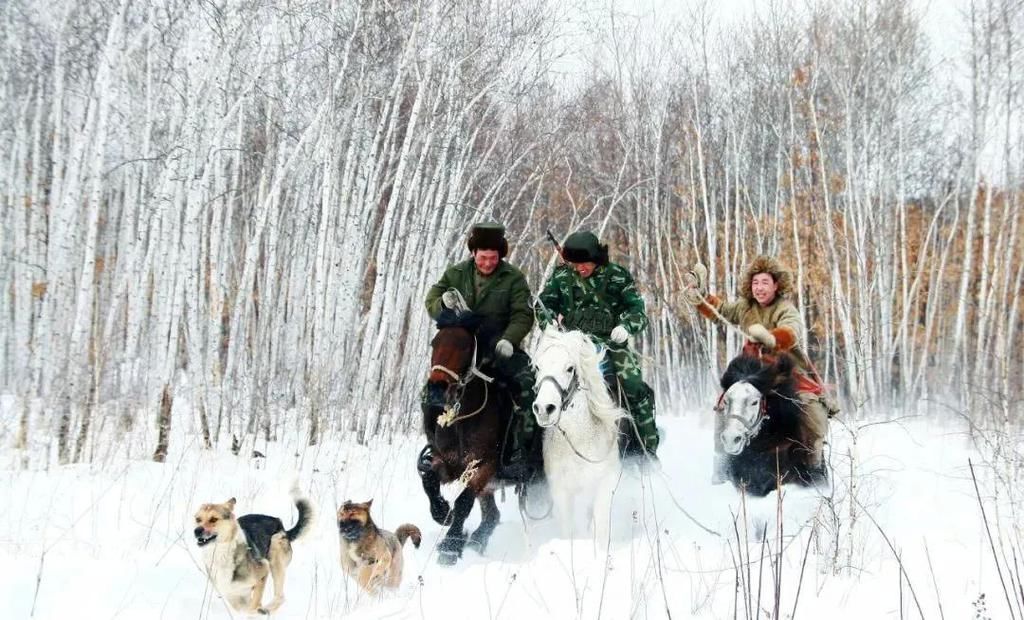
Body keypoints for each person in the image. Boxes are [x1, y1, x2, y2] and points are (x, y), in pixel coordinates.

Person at [683, 255, 833, 482]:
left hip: (785, 371)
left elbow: (793, 329)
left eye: (765, 282)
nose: (759, 288)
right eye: (755, 283)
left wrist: (773, 338)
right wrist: (700, 297)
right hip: (752, 370)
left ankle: (814, 464)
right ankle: (722, 461)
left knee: (809, 408)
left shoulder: (785, 308)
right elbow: (720, 311)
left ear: (776, 285)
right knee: (725, 402)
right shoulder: (745, 307)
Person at [420, 223, 540, 480]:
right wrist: (443, 303)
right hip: (462, 348)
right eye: (483, 257)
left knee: (527, 385)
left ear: (501, 255)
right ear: (473, 253)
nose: (488, 263)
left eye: (493, 258)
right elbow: (431, 300)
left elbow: (523, 314)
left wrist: (510, 339)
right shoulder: (456, 274)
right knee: (432, 389)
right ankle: (433, 446)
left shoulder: (513, 278)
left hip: (499, 348)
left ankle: (522, 451)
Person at [537, 231, 659, 457]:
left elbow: (637, 311)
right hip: (571, 346)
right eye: (576, 263)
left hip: (610, 345)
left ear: (597, 259)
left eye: (586, 263)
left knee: (633, 385)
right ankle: (536, 456)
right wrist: (549, 323)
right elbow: (544, 305)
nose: (580, 268)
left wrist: (625, 327)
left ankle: (646, 448)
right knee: (542, 387)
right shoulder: (562, 277)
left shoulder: (617, 276)